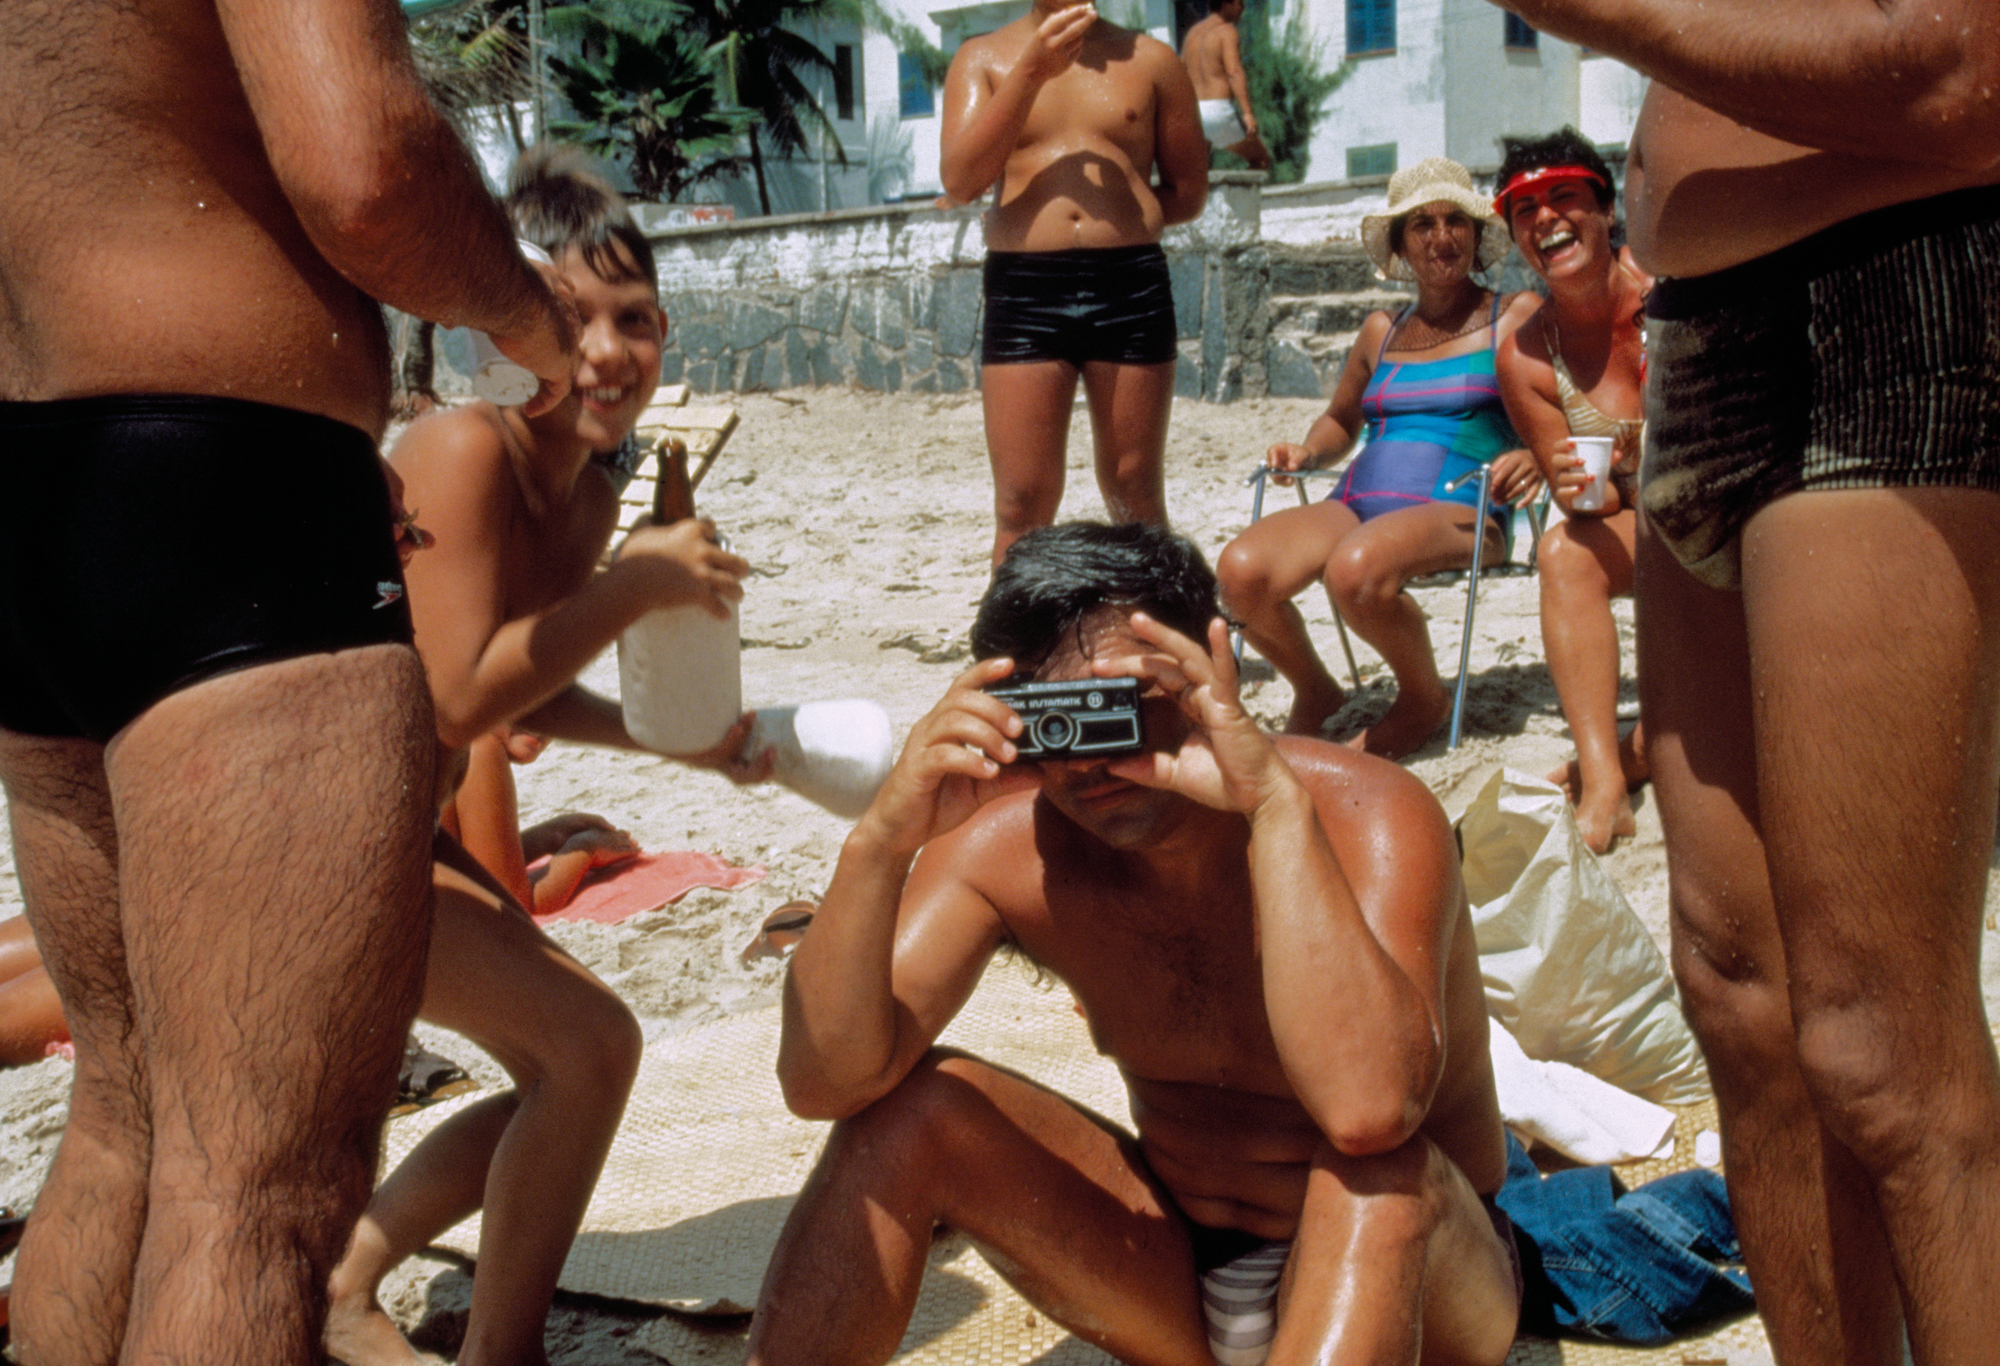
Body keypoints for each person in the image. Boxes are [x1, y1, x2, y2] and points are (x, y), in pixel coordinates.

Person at [0, 0, 577, 1355]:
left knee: (126, 1112)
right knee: (252, 1192)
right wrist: (528, 318)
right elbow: (363, 167)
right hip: (227, 481)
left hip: (34, 485)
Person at [1488, 4, 2000, 1362]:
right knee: (1742, 997)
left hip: (1888, 283)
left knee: (1879, 1044)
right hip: (1709, 321)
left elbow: (1963, 69)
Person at [745, 522, 1522, 1366]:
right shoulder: (1007, 847)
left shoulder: (1367, 813)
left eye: (1120, 707)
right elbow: (827, 1081)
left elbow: (1370, 1114)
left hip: (1421, 1270)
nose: (1090, 759)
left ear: (1213, 666)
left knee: (1375, 1182)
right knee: (905, 1111)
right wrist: (879, 845)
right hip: (1179, 1263)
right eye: (1054, 722)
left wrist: (1270, 805)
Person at [323, 146, 762, 1366]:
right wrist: (632, 588)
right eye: (567, 320)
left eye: (635, 319)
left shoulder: (585, 486)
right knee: (588, 1048)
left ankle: (351, 1282)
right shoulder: (462, 449)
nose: (608, 351)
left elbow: (527, 690)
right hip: (315, 822)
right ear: (501, 330)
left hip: (392, 819)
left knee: (565, 1058)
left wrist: (673, 739)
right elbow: (462, 691)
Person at [1217, 158, 1540, 759]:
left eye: (1455, 222)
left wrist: (1533, 455)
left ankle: (1423, 698)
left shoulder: (1512, 316)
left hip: (1463, 507)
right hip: (1358, 501)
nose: (1441, 238)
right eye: (1422, 225)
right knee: (1240, 573)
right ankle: (1317, 691)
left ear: (1475, 236)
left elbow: (1562, 410)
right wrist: (1308, 449)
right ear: (1400, 243)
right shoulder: (1380, 331)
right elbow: (1342, 419)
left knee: (1354, 568)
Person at [940, 0, 1210, 563]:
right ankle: (1015, 646)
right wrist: (1032, 72)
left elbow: (1188, 194)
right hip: (1026, 289)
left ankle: (1171, 633)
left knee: (1134, 491)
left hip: (1129, 283)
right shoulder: (983, 57)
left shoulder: (1154, 61)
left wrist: (1120, 209)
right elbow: (962, 179)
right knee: (1021, 502)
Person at [1492, 129, 1651, 853]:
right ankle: (1605, 782)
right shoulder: (1528, 356)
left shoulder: (1669, 289)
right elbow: (1599, 512)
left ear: (1606, 208)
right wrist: (1574, 485)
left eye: (1564, 197)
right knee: (1563, 553)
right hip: (1648, 531)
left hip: (1741, 519)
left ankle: (1630, 757)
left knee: (1704, 730)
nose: (1545, 219)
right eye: (1524, 210)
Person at [1180, 0, 1273, 172]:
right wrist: (1248, 114)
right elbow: (1234, 72)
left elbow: (1180, 76)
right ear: (1225, 4)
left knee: (1198, 172)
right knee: (1260, 160)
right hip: (1218, 112)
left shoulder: (1192, 34)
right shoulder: (1227, 31)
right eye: (1239, 3)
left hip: (1193, 113)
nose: (1243, 9)